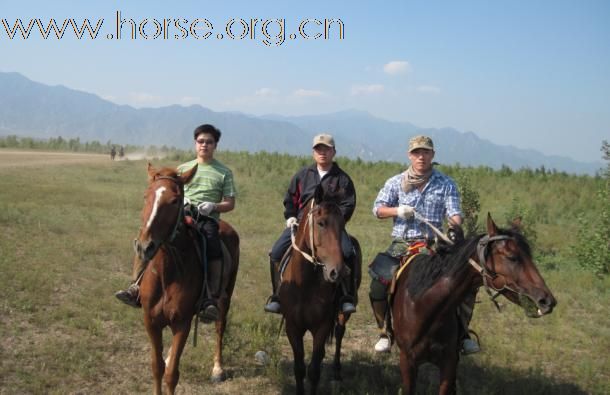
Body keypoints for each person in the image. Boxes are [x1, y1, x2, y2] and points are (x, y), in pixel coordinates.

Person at [369, 135, 480, 354]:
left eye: (425, 152)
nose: (421, 157)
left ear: (432, 155)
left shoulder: (446, 183)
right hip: (403, 243)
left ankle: (463, 333)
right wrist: (397, 210)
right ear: (409, 155)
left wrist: (454, 227)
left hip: (435, 244)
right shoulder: (395, 182)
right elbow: (378, 209)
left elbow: (455, 212)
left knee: (466, 284)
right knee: (378, 285)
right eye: (417, 153)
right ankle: (385, 331)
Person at [115, 124, 236, 322]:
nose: (204, 145)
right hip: (180, 213)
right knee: (148, 235)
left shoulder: (223, 172)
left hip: (206, 218)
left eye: (209, 142)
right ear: (195, 143)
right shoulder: (182, 169)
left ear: (215, 145)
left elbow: (230, 203)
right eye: (201, 141)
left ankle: (210, 298)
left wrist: (213, 206)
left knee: (214, 246)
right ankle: (135, 286)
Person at [264, 133, 358, 315]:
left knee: (348, 252)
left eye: (326, 149)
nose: (322, 152)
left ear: (334, 152)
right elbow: (290, 199)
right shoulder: (302, 176)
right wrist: (290, 216)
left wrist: (336, 222)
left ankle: (346, 296)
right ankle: (277, 295)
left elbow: (348, 204)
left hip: (330, 228)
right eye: (318, 149)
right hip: (301, 225)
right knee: (276, 252)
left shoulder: (342, 179)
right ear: (313, 152)